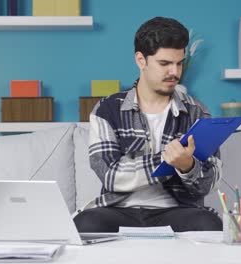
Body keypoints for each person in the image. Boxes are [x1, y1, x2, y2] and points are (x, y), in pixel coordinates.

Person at [74, 17, 223, 232]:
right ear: (141, 60)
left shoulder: (197, 112)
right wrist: (166, 160)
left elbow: (209, 183)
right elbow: (111, 175)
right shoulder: (107, 109)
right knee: (85, 223)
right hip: (119, 209)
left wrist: (187, 166)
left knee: (208, 223)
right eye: (164, 63)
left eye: (179, 63)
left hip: (177, 210)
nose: (175, 72)